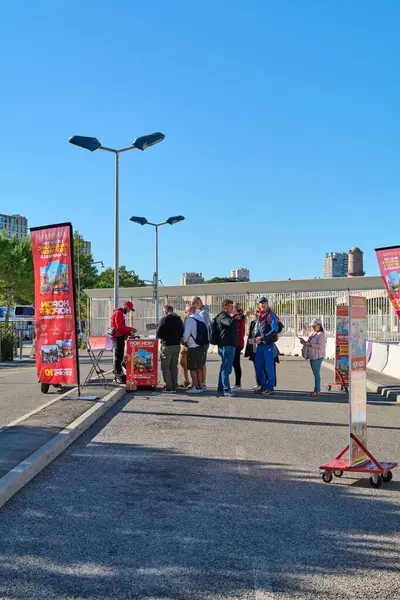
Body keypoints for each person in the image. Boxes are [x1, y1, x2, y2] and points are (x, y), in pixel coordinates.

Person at [214, 299, 239, 397]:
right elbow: (230, 323)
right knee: (226, 368)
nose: (232, 308)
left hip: (228, 345)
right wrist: (241, 316)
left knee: (224, 367)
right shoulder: (223, 316)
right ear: (225, 307)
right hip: (226, 346)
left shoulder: (226, 316)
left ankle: (221, 389)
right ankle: (226, 389)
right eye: (230, 306)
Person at [156, 305, 184, 392]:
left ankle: (169, 387)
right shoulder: (179, 319)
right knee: (174, 366)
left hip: (166, 345)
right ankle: (174, 384)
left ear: (165, 311)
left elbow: (158, 333)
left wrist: (164, 337)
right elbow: (182, 331)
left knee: (165, 366)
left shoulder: (164, 319)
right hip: (176, 345)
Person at [254, 297, 278, 396]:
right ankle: (263, 386)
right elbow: (259, 329)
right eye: (261, 303)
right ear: (259, 305)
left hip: (268, 346)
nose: (263, 305)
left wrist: (262, 338)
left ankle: (270, 388)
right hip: (260, 346)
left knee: (269, 368)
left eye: (264, 303)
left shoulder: (271, 315)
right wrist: (255, 337)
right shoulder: (260, 315)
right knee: (258, 368)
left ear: (267, 304)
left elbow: (274, 330)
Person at [110, 301, 136, 384]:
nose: (129, 311)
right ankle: (118, 374)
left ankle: (119, 373)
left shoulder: (120, 313)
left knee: (120, 355)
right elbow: (119, 327)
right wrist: (130, 329)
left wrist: (129, 332)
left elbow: (121, 327)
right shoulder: (118, 313)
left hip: (119, 336)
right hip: (117, 337)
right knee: (118, 355)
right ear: (126, 306)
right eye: (129, 309)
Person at [182, 305, 206, 394]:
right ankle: (200, 386)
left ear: (189, 311)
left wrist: (184, 341)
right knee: (199, 367)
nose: (186, 313)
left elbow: (186, 334)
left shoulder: (189, 320)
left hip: (192, 346)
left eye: (186, 311)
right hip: (201, 346)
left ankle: (196, 387)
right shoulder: (200, 318)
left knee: (192, 368)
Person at [300, 318, 326, 396]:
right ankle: (317, 390)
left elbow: (320, 346)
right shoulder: (313, 333)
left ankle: (317, 390)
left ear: (319, 325)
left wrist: (310, 344)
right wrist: (304, 343)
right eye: (312, 326)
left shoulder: (321, 334)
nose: (313, 327)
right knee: (315, 373)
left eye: (314, 326)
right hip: (312, 356)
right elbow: (309, 343)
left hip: (317, 356)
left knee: (316, 373)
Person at [191, 296, 211, 391]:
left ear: (198, 302)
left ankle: (203, 383)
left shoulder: (203, 313)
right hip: (203, 341)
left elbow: (205, 328)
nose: (192, 306)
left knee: (202, 363)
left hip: (203, 341)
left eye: (193, 304)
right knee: (201, 363)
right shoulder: (202, 312)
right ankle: (201, 382)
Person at [232, 302, 246, 392]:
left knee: (236, 364)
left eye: (232, 308)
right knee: (235, 363)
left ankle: (238, 384)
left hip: (237, 343)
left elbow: (239, 332)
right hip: (238, 343)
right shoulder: (238, 317)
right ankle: (237, 383)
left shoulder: (239, 318)